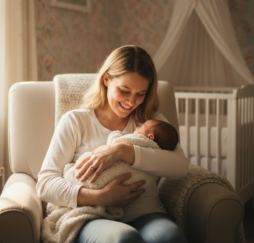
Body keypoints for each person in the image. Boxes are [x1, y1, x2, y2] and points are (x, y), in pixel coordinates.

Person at [37, 45, 188, 243]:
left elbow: (180, 166)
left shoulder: (151, 123)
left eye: (140, 94)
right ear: (106, 79)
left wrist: (122, 150)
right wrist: (99, 197)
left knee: (170, 238)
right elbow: (45, 184)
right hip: (94, 216)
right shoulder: (75, 121)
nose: (132, 102)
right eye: (124, 91)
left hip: (147, 215)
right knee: (123, 239)